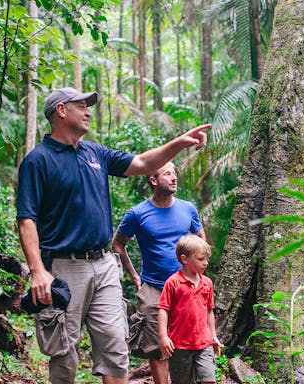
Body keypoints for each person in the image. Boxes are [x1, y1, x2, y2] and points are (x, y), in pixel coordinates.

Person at [16, 86, 210, 384]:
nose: (88, 111)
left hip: (105, 264)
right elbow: (26, 220)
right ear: (61, 110)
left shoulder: (96, 153)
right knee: (64, 353)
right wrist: (37, 271)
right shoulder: (38, 160)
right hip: (65, 267)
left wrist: (180, 143)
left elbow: (144, 163)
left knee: (115, 349)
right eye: (81, 106)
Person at [112, 161, 205, 384]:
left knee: (190, 344)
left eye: (174, 173)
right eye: (167, 174)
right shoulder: (137, 213)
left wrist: (199, 273)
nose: (174, 178)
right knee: (156, 348)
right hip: (153, 288)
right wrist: (135, 277)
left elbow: (201, 239)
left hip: (186, 287)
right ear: (153, 181)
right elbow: (118, 244)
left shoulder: (187, 209)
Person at [157, 234, 222, 384]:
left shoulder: (207, 283)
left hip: (203, 343)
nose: (205, 263)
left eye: (207, 259)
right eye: (200, 259)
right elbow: (163, 310)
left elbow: (209, 310)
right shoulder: (173, 283)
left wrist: (213, 336)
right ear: (184, 259)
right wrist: (163, 337)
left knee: (208, 380)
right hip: (179, 344)